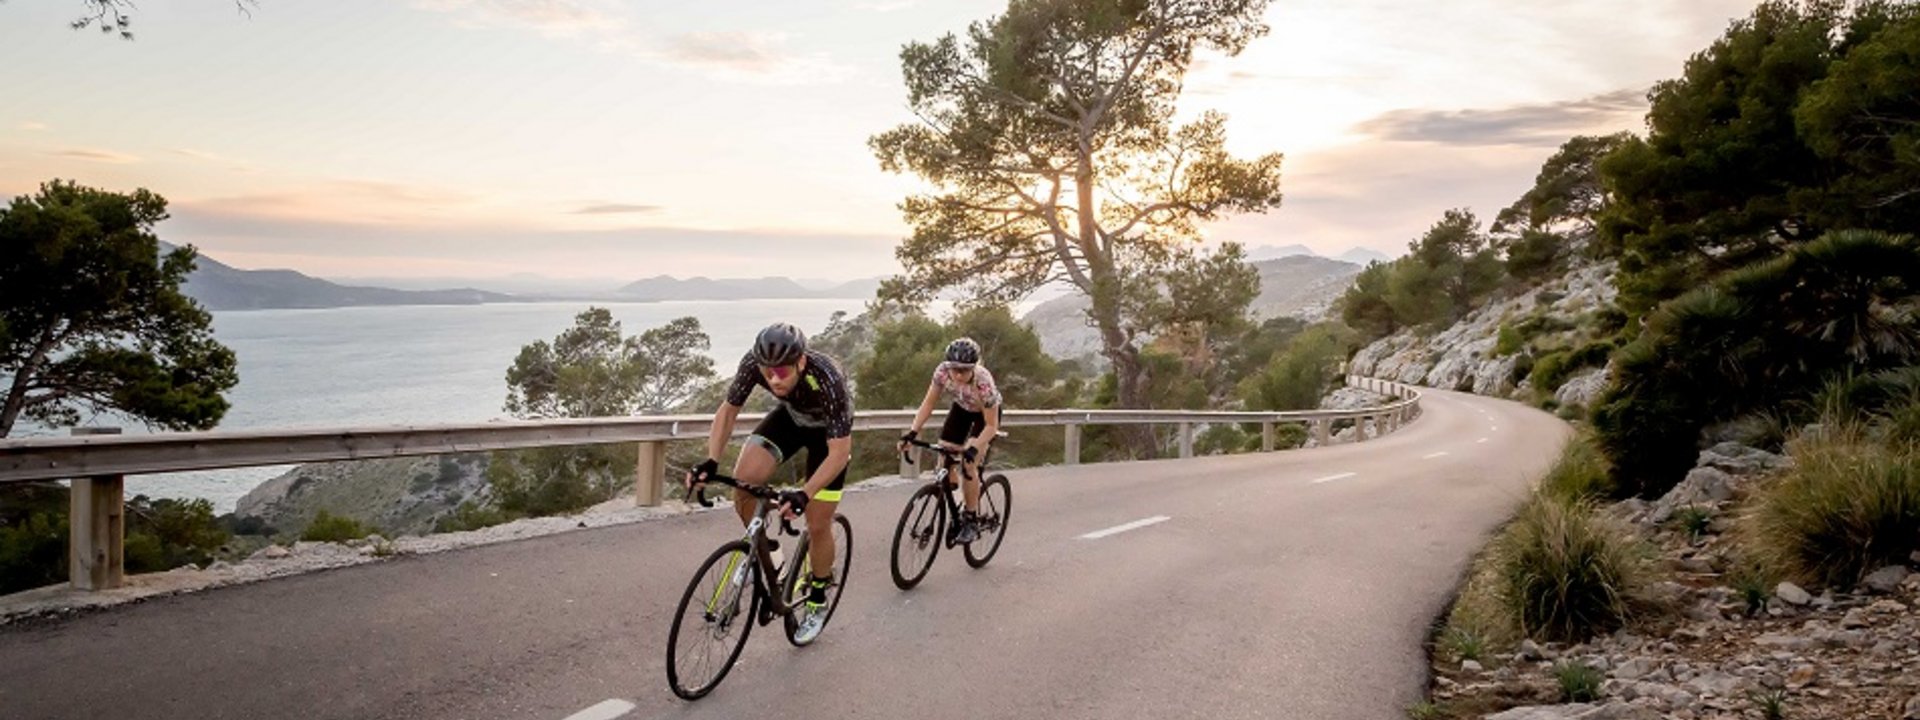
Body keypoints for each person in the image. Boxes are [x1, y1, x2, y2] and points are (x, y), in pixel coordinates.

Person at [686, 322, 852, 643]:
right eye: (768, 372)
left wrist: (804, 493)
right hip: (790, 421)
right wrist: (711, 460)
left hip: (827, 439)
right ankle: (770, 557)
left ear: (801, 362)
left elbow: (839, 453)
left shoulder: (828, 377)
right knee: (743, 484)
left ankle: (818, 596)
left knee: (818, 525)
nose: (774, 379)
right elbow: (728, 410)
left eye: (782, 372)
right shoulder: (753, 364)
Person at [898, 337, 1001, 544]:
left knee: (968, 464)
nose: (959, 374)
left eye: (964, 370)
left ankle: (970, 518)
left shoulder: (983, 382)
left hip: (984, 416)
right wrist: (912, 432)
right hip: (962, 409)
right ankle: (954, 501)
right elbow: (928, 404)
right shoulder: (942, 373)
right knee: (944, 458)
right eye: (955, 369)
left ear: (974, 367)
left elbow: (992, 426)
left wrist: (975, 448)